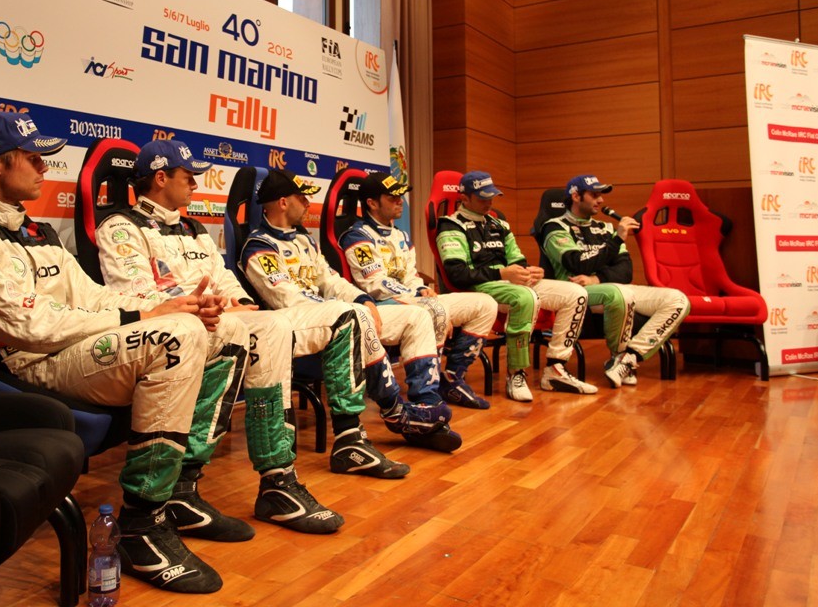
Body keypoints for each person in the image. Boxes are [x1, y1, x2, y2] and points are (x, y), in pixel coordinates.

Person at [0, 111, 233, 594]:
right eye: (32, 158)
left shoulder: (34, 230)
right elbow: (26, 324)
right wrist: (143, 319)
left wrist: (163, 306)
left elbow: (92, 297)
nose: (44, 167)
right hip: (28, 364)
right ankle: (140, 523)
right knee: (176, 336)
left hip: (72, 351)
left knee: (214, 331)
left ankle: (177, 492)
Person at [96, 139, 342, 536]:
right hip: (167, 330)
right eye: (188, 177)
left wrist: (240, 302)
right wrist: (205, 308)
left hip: (214, 318)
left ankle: (277, 479)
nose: (196, 184)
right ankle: (181, 485)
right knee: (233, 329)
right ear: (161, 178)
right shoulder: (120, 227)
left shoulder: (193, 228)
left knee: (274, 326)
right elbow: (138, 297)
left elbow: (223, 278)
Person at [240, 168, 460, 475]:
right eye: (302, 197)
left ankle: (425, 407)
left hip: (331, 316)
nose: (308, 204)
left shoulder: (304, 240)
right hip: (291, 327)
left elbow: (331, 281)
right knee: (352, 316)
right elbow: (286, 299)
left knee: (416, 315)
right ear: (282, 202)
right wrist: (342, 309)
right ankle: (395, 411)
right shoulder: (258, 246)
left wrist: (361, 298)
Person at [339, 171, 499, 410]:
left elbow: (411, 275)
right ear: (372, 203)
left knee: (485, 304)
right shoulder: (357, 236)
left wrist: (422, 289)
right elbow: (375, 284)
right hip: (380, 306)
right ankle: (424, 394)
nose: (399, 201)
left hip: (412, 300)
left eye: (399, 196)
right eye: (392, 197)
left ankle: (452, 379)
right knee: (434, 309)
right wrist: (418, 297)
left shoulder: (401, 235)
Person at [433, 171, 593, 402]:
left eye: (492, 196)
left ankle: (556, 368)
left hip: (509, 282)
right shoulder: (450, 226)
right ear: (464, 198)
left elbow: (517, 259)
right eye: (482, 198)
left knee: (576, 293)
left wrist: (529, 271)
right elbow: (457, 274)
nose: (489, 202)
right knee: (525, 297)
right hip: (479, 286)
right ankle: (516, 373)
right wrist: (501, 273)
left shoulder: (499, 224)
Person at [540, 174, 691, 387]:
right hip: (577, 292)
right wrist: (616, 241)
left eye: (601, 195)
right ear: (575, 196)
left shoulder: (606, 229)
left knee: (677, 299)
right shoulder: (554, 227)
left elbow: (625, 271)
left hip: (605, 286)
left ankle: (628, 358)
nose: (601, 200)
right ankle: (618, 355)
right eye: (594, 195)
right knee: (621, 294)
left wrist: (597, 278)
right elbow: (577, 263)